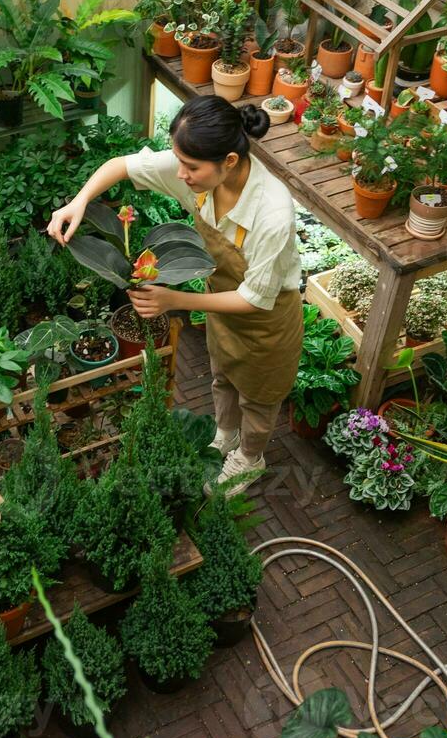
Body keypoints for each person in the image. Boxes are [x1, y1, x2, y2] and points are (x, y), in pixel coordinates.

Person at [47, 95, 304, 496]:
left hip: (265, 318)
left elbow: (255, 299)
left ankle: (250, 458)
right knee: (222, 376)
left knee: (258, 395)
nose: (180, 174)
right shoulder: (199, 170)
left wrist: (175, 301)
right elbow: (120, 166)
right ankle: (224, 435)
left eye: (191, 167)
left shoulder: (271, 212)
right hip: (220, 297)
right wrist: (77, 203)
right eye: (178, 160)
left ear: (229, 162)